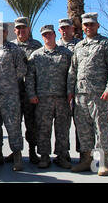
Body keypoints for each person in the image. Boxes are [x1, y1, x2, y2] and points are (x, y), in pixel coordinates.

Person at [68, 12, 108, 176]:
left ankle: (104, 162)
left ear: (97, 26)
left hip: (99, 95)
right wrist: (70, 91)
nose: (88, 27)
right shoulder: (79, 46)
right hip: (80, 95)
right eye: (86, 25)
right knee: (83, 130)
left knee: (101, 128)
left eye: (91, 24)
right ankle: (87, 160)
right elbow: (73, 70)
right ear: (82, 27)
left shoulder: (106, 44)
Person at [26, 25, 72, 169]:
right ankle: (44, 157)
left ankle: (62, 156)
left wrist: (70, 91)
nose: (47, 37)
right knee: (43, 129)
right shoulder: (36, 55)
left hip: (62, 99)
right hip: (43, 99)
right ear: (42, 37)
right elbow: (30, 77)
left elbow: (72, 74)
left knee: (62, 129)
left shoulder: (66, 54)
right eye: (44, 35)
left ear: (54, 34)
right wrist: (31, 94)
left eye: (49, 34)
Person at [0, 22, 27, 171]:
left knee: (13, 126)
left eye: (3, 31)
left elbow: (21, 69)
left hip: (9, 95)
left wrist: (8, 82)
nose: (0, 34)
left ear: (7, 33)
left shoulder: (15, 50)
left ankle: (17, 157)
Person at [7, 16, 42, 164]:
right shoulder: (9, 46)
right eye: (18, 28)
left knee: (31, 123)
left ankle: (32, 151)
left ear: (29, 29)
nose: (21, 30)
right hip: (14, 92)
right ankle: (16, 152)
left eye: (24, 28)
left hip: (31, 93)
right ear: (14, 30)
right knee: (14, 123)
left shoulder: (37, 45)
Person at [57, 18, 81, 160]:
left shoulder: (80, 45)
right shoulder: (54, 45)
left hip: (78, 92)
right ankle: (63, 154)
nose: (65, 30)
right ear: (59, 30)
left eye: (67, 27)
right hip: (60, 93)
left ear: (73, 29)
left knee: (81, 125)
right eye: (62, 28)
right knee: (62, 126)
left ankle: (84, 155)